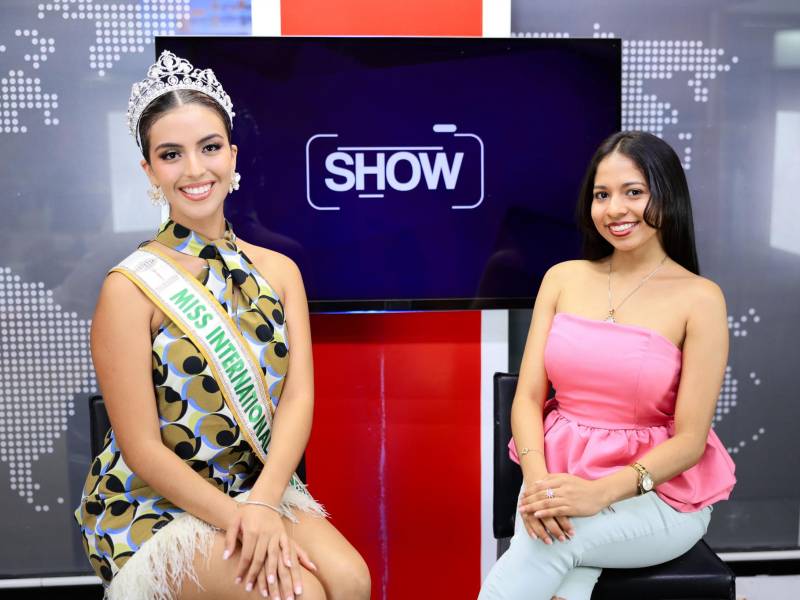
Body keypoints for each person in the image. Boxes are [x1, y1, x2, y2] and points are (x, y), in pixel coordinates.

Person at [75, 50, 370, 600]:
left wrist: (261, 502)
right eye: (171, 154)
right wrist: (242, 518)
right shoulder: (129, 288)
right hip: (153, 505)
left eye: (209, 148)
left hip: (256, 485)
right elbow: (140, 447)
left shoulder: (281, 269)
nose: (194, 170)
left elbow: (298, 398)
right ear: (149, 170)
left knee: (352, 581)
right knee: (295, 594)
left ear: (232, 156)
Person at [479, 131, 736, 600]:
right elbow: (529, 399)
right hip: (556, 475)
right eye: (602, 195)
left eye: (633, 192)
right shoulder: (562, 278)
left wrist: (600, 493)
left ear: (666, 194)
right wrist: (539, 485)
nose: (615, 209)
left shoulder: (701, 298)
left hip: (657, 494)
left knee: (548, 549)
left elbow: (691, 441)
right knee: (562, 575)